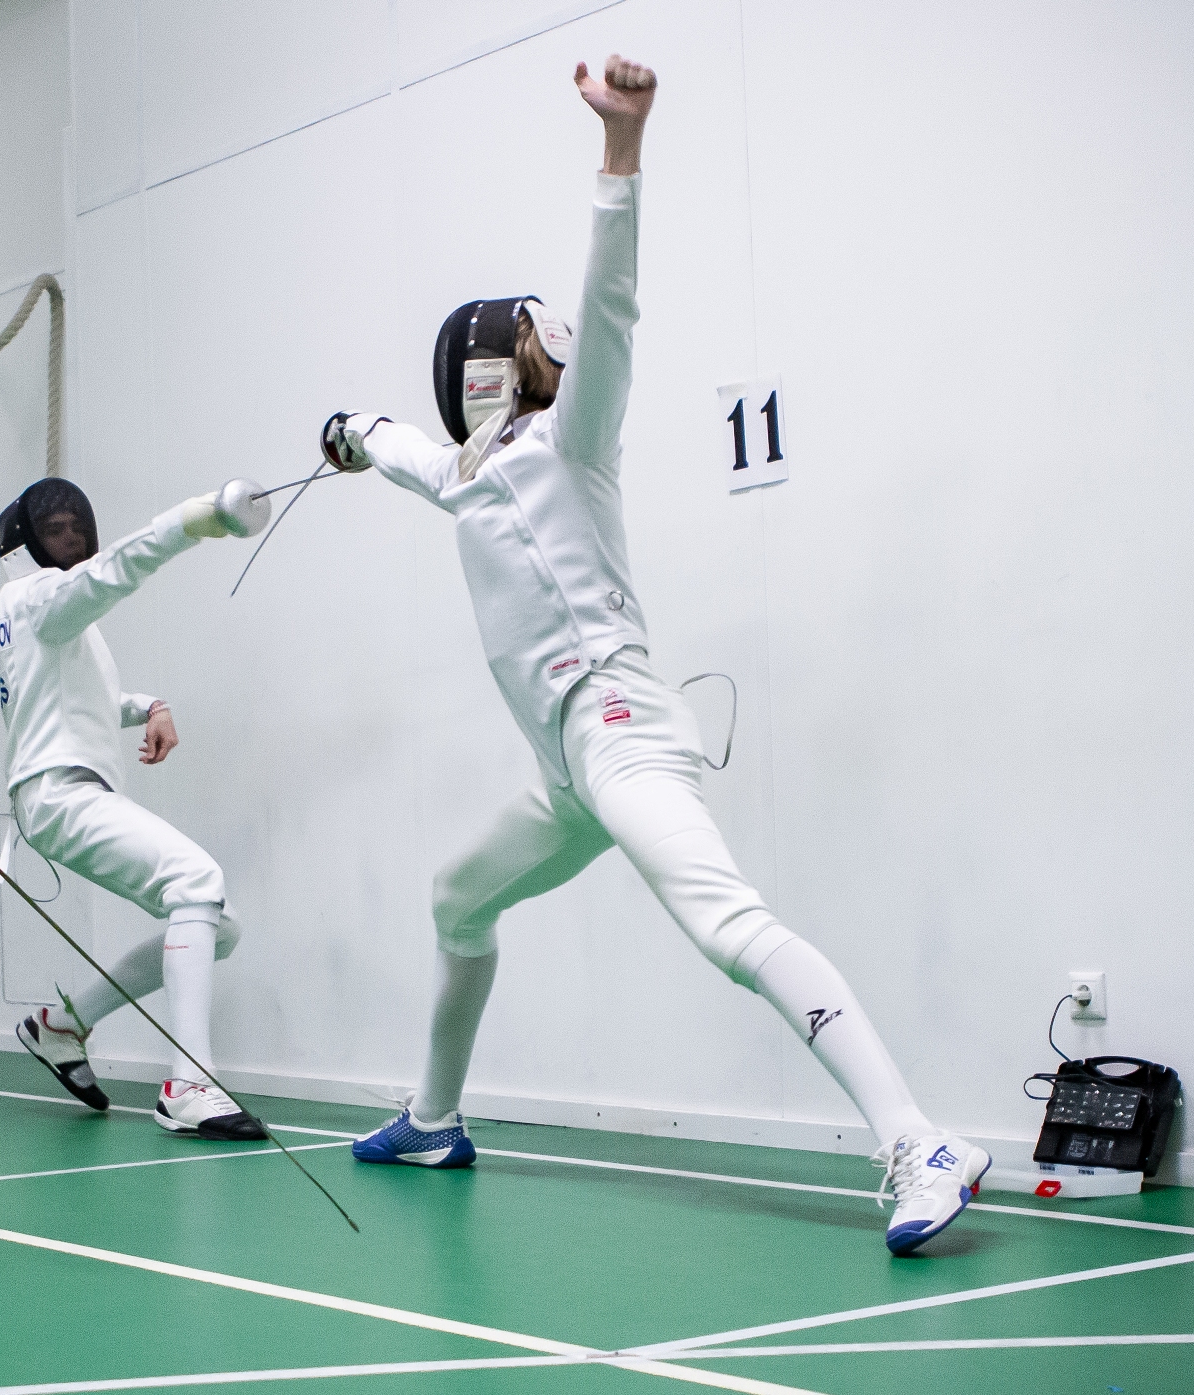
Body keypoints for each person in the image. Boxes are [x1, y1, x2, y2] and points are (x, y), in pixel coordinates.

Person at [324, 55, 990, 1256]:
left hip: (620, 728)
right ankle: (431, 1120)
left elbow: (614, 304)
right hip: (566, 771)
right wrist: (345, 430)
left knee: (726, 927)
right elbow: (397, 448)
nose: (551, 347)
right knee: (457, 898)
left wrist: (620, 149)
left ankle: (917, 1141)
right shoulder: (468, 474)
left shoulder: (569, 442)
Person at [0, 477, 264, 1140]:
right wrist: (194, 520)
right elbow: (116, 569)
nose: (72, 538)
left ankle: (62, 1026)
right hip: (58, 792)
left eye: (76, 526)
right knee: (195, 880)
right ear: (27, 544)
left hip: (63, 791)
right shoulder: (39, 597)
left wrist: (150, 706)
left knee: (220, 924)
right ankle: (189, 1084)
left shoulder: (44, 620)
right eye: (55, 529)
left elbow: (87, 701)